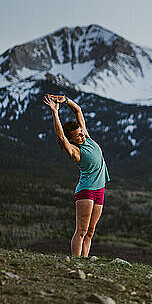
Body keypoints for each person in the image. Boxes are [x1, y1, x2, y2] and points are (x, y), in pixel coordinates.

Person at [43, 94, 110, 257]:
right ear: (71, 139)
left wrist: (65, 100)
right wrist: (55, 113)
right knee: (81, 230)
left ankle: (85, 261)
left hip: (100, 189)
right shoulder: (75, 151)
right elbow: (61, 136)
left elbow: (78, 110)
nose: (82, 135)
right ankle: (75, 261)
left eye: (81, 132)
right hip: (86, 190)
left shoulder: (87, 137)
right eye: (78, 135)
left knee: (91, 231)